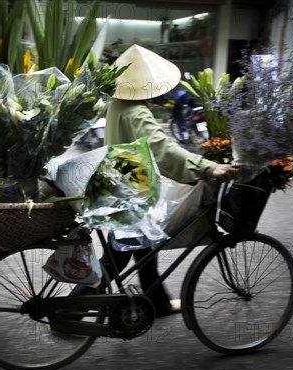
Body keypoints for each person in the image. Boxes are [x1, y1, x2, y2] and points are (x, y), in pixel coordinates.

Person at [73, 44, 238, 317]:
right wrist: (207, 168)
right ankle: (71, 310)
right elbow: (161, 149)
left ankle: (157, 301)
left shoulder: (118, 104)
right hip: (128, 193)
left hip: (119, 186)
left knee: (144, 250)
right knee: (118, 258)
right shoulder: (136, 111)